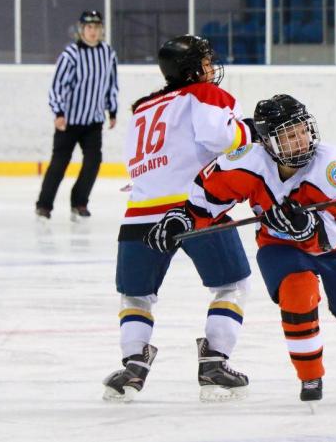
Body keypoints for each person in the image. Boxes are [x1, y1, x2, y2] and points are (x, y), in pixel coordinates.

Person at [144, 94, 336, 404]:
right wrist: (181, 220)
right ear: (267, 143)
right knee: (297, 294)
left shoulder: (333, 164)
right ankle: (310, 377)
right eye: (290, 136)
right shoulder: (246, 162)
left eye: (303, 130)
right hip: (280, 246)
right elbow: (207, 198)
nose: (302, 140)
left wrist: (305, 225)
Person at [102, 35, 253, 403]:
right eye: (203, 61)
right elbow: (220, 137)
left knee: (135, 295)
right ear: (190, 70)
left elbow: (141, 162)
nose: (209, 67)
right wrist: (250, 130)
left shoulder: (142, 108)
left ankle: (134, 363)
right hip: (194, 210)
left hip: (140, 213)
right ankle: (215, 362)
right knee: (232, 285)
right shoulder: (203, 94)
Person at [36, 10, 119, 222]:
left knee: (93, 162)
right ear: (81, 30)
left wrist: (112, 110)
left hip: (93, 121)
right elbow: (58, 86)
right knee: (59, 164)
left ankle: (79, 202)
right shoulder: (71, 54)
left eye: (97, 28)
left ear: (101, 30)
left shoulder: (108, 53)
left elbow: (111, 84)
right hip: (69, 121)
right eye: (89, 27)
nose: (93, 32)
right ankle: (44, 205)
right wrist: (59, 112)